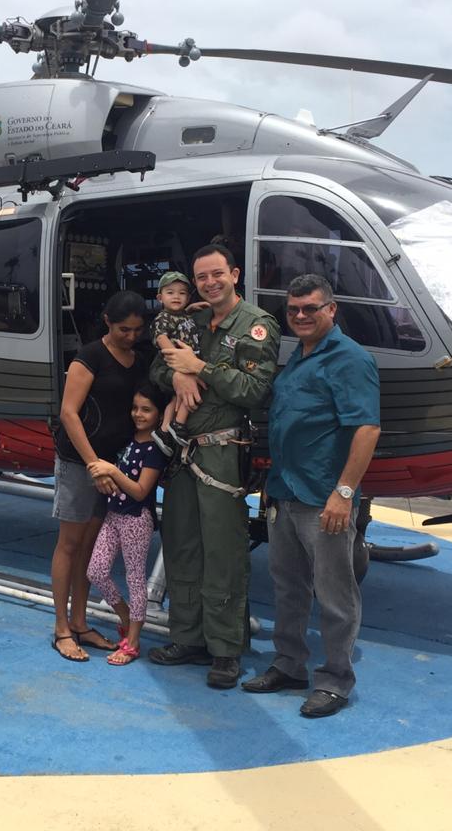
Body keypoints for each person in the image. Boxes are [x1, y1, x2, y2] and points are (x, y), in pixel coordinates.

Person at [242, 273, 381, 718]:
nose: (301, 316)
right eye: (294, 310)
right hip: (285, 493)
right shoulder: (299, 357)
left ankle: (336, 680)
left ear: (331, 310)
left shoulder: (349, 359)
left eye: (310, 308)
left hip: (325, 501)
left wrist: (344, 493)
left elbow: (366, 427)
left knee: (335, 593)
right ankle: (288, 664)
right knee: (288, 588)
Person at [148, 244, 280, 689]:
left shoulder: (257, 326)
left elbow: (254, 390)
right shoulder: (194, 320)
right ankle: (188, 637)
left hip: (222, 452)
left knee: (223, 550)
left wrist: (199, 366)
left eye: (217, 274)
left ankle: (225, 649)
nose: (209, 283)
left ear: (235, 274)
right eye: (202, 277)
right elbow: (157, 367)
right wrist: (179, 375)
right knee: (181, 543)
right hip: (183, 454)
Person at [51, 290, 150, 662]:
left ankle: (80, 620)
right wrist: (94, 465)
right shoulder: (90, 356)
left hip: (113, 467)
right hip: (81, 464)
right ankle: (61, 626)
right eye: (124, 329)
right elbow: (69, 413)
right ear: (108, 322)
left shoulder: (138, 360)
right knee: (70, 543)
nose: (131, 336)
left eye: (137, 330)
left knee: (90, 546)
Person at [85, 382, 170, 666]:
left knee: (135, 579)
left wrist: (111, 471)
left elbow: (140, 490)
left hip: (136, 519)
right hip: (113, 515)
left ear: (159, 415)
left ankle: (133, 641)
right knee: (95, 571)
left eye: (146, 409)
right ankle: (125, 616)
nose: (138, 414)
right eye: (135, 408)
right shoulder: (128, 440)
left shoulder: (154, 449)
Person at [149, 271, 203, 450]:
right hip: (180, 361)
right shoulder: (162, 318)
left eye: (182, 293)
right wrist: (176, 357)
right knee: (190, 391)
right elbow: (161, 337)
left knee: (177, 396)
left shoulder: (183, 315)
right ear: (160, 297)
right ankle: (178, 424)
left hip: (187, 359)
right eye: (170, 292)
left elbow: (180, 321)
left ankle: (164, 430)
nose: (176, 297)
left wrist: (191, 309)